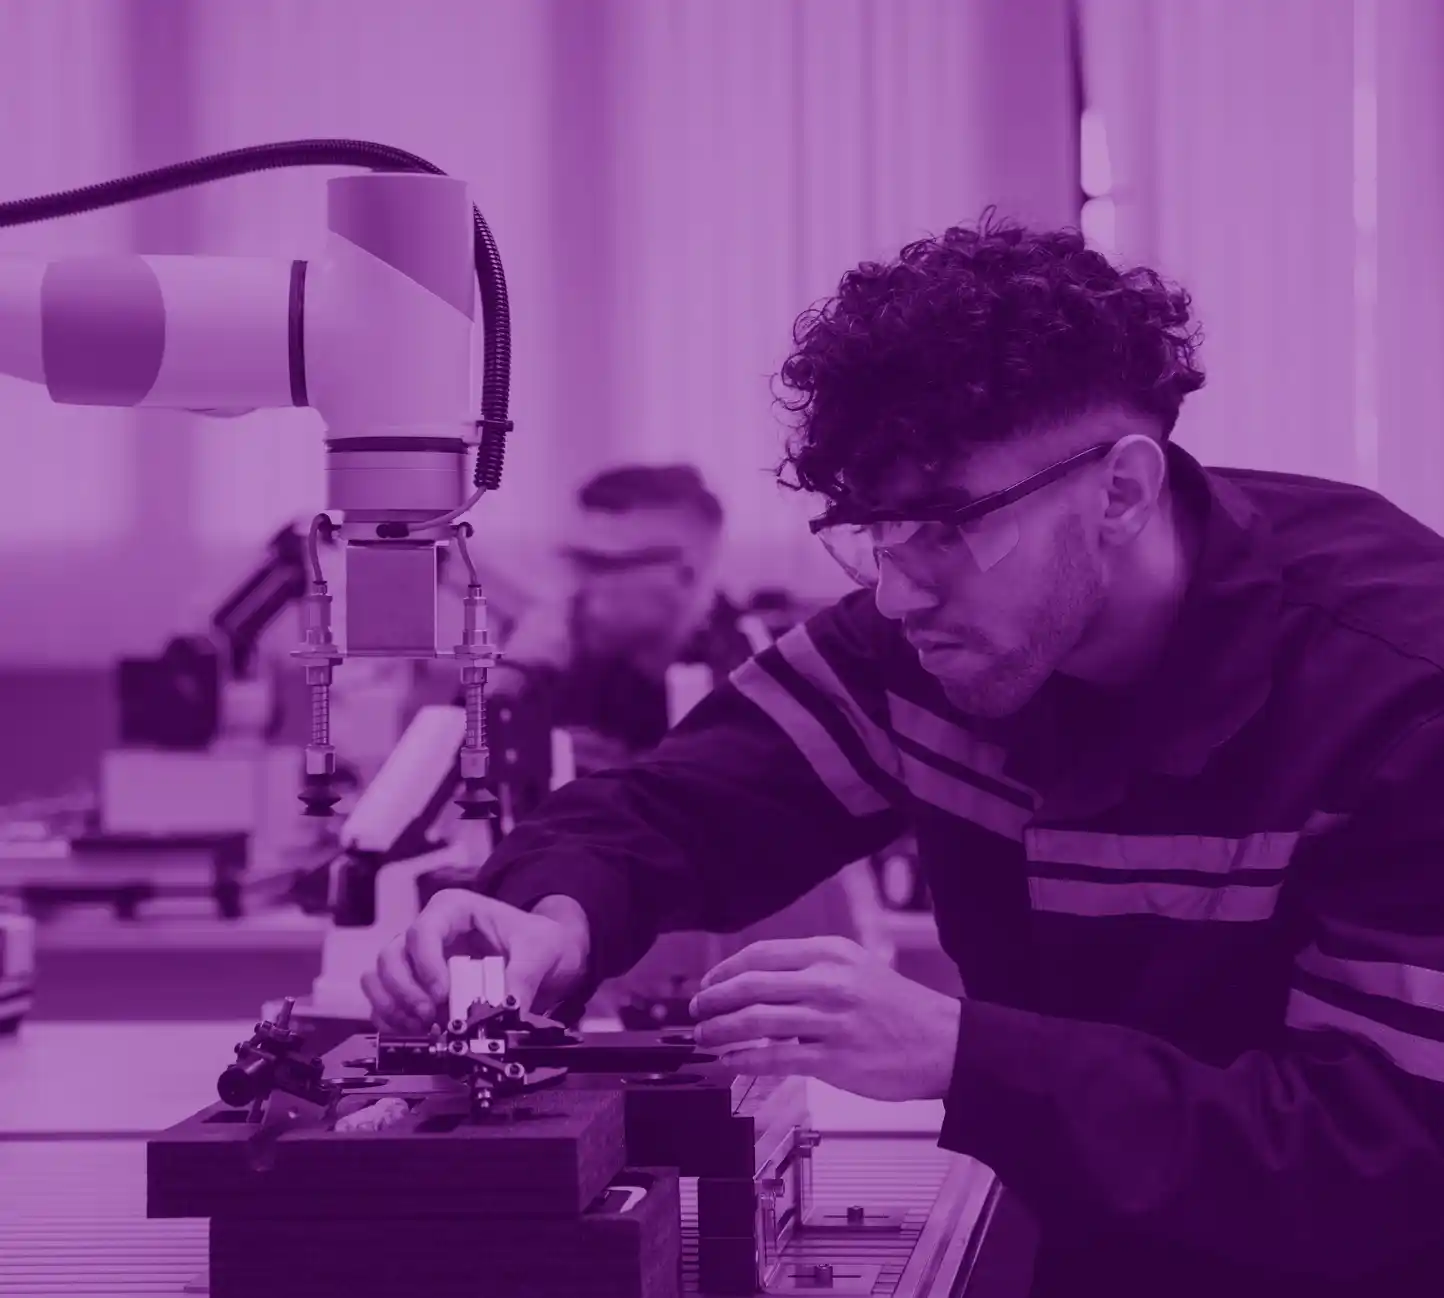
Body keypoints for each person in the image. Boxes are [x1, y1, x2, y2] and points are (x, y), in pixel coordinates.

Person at [362, 213, 1444, 1297]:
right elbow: (674, 807)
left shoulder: (1395, 697)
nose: (896, 590)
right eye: (874, 534)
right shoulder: (927, 643)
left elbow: (1383, 1157)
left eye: (945, 529)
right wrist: (548, 914)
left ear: (1120, 490)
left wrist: (967, 1056)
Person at [485, 463, 753, 772]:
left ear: (685, 575)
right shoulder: (572, 660)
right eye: (574, 561)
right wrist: (512, 675)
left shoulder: (753, 679)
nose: (575, 587)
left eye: (600, 564)